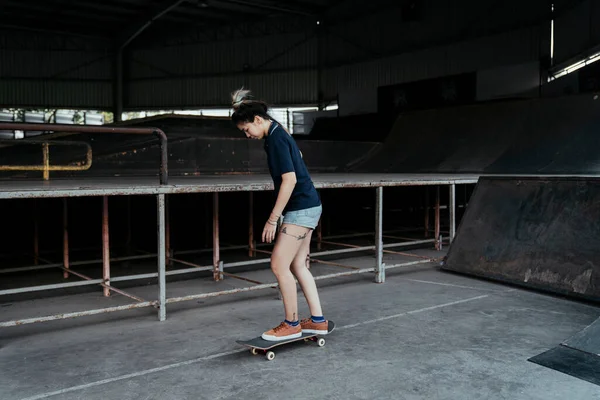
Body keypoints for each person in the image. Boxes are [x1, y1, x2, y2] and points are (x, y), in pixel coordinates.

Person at [230, 88, 328, 341]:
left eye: (246, 129)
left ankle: (291, 323)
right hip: (309, 204)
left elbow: (289, 180)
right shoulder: (278, 132)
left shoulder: (275, 138)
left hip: (300, 209)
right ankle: (317, 321)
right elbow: (299, 158)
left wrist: (273, 218)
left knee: (278, 265)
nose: (247, 135)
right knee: (298, 265)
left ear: (258, 120)